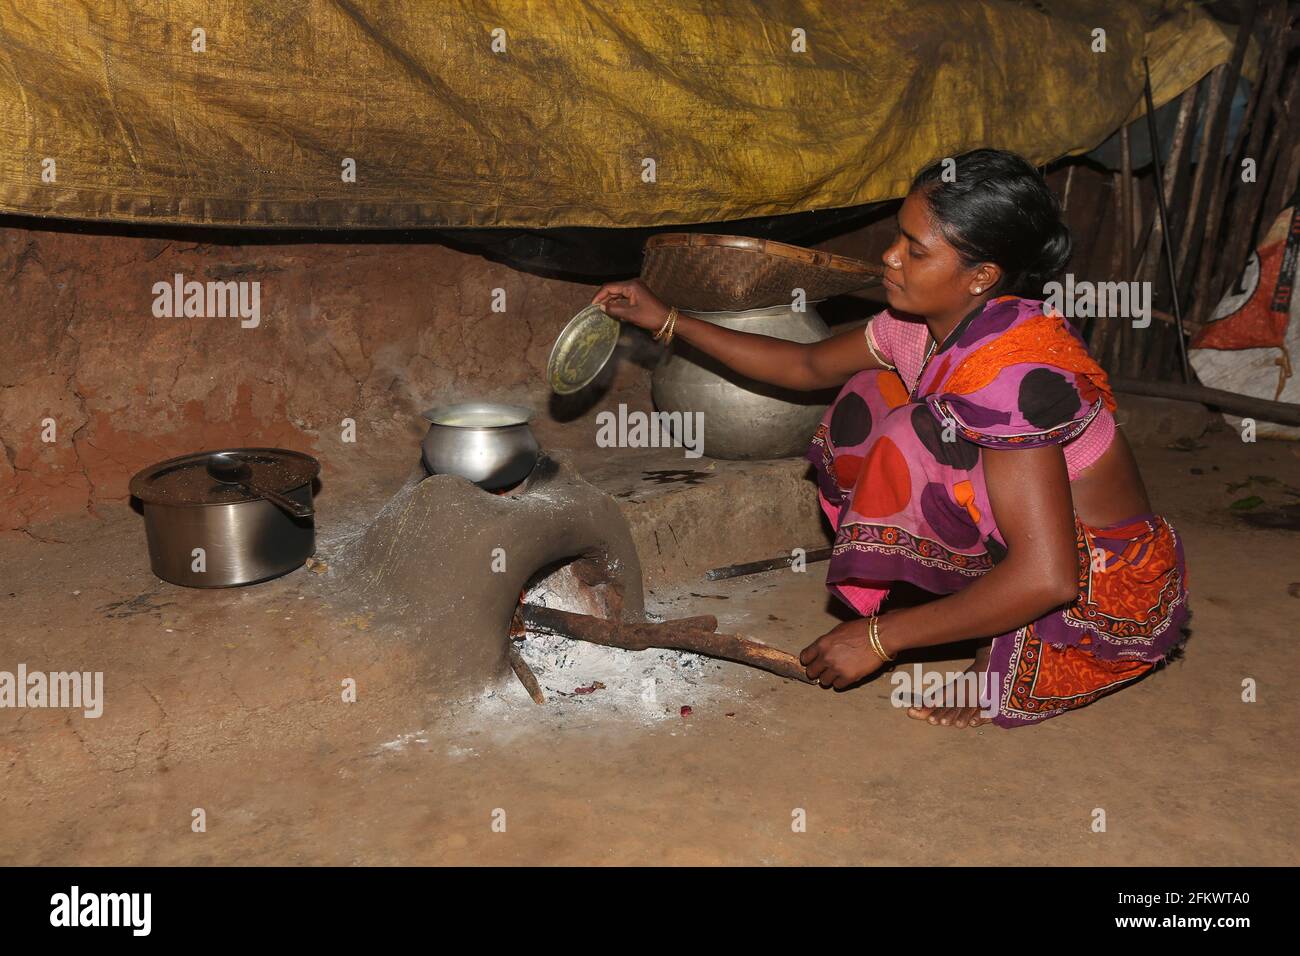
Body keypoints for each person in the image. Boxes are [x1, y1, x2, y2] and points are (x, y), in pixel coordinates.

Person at [592, 148, 1190, 729]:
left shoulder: (1015, 376)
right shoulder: (921, 328)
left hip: (1094, 582)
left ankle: (998, 645)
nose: (889, 257)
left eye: (915, 250)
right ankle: (961, 599)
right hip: (1040, 543)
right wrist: (666, 319)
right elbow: (805, 368)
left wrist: (881, 639)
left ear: (981, 277)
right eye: (898, 236)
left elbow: (1048, 576)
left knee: (913, 430)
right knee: (869, 398)